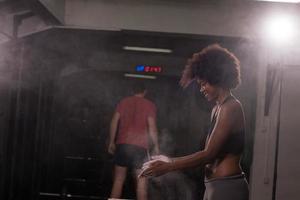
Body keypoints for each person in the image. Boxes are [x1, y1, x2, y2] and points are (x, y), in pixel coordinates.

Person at [140, 44, 249, 200]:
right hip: (215, 186)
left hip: (228, 187)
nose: (201, 89)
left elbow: (209, 155)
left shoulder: (231, 107)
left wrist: (170, 165)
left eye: (204, 84)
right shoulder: (217, 109)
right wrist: (168, 162)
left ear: (217, 78)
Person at [108, 81, 159, 200]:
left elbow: (114, 121)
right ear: (145, 92)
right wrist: (156, 146)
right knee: (141, 185)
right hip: (140, 147)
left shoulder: (123, 102)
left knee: (118, 181)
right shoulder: (149, 105)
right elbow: (152, 127)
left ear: (132, 91)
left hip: (122, 144)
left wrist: (111, 141)